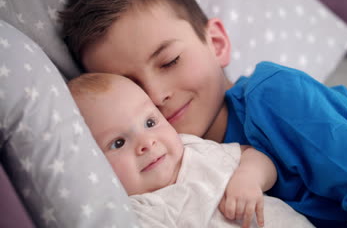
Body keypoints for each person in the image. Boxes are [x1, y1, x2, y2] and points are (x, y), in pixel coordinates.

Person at [59, 0, 347, 227]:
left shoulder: (275, 98)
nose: (159, 95)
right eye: (133, 87)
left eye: (169, 61)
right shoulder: (171, 162)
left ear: (216, 42)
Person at [67, 73, 314, 228]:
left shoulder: (192, 147)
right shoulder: (139, 210)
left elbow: (256, 156)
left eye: (150, 123)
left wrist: (249, 178)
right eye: (118, 143)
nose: (147, 143)